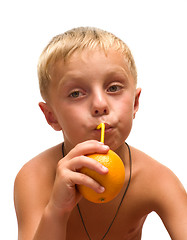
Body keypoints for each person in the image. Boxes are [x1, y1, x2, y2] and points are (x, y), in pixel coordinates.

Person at [14, 27, 187, 240]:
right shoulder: (35, 177)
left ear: (135, 103)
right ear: (51, 116)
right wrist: (57, 210)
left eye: (113, 88)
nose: (100, 105)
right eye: (76, 93)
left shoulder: (156, 179)